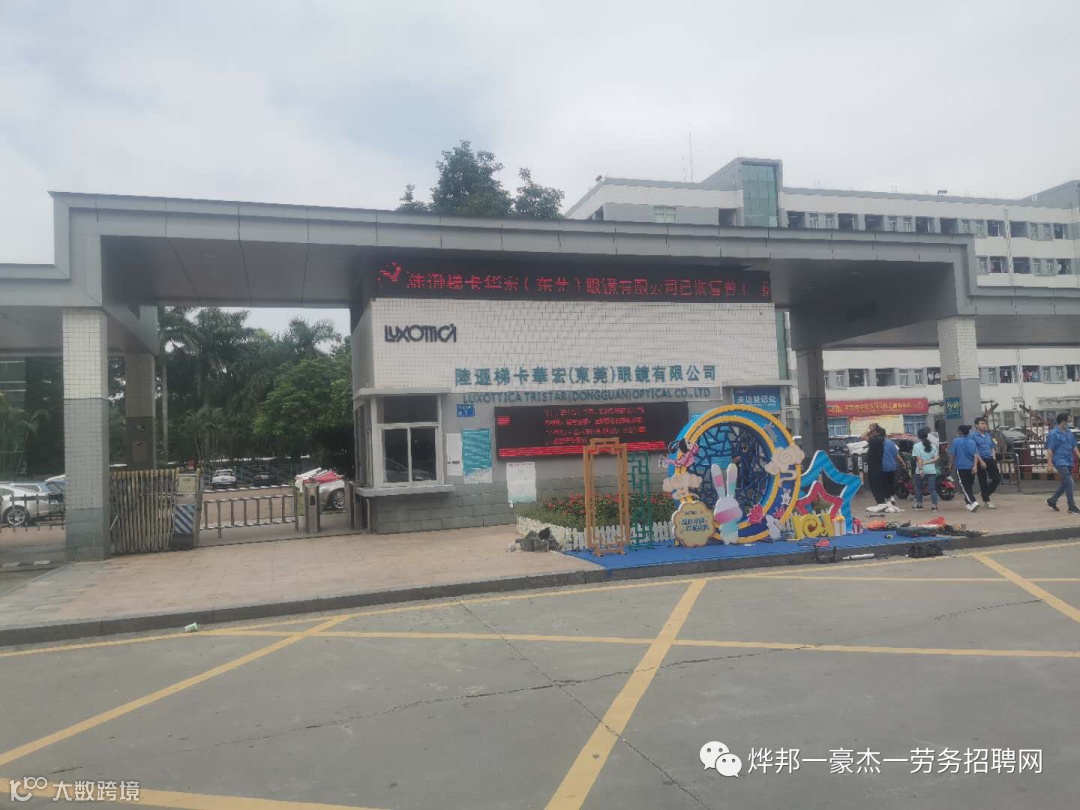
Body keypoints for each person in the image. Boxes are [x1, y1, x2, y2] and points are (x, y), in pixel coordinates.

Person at [1045, 412, 1080, 514]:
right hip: (1059, 461)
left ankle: (1052, 500)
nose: (1070, 423)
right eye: (1068, 421)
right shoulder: (1053, 434)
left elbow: (1074, 447)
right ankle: (1071, 506)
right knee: (1070, 482)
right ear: (1063, 421)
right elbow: (1050, 450)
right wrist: (1049, 464)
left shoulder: (1069, 433)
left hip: (1069, 460)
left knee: (1066, 483)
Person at [949, 424, 982, 512]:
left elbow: (953, 454)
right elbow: (975, 455)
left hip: (961, 467)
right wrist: (975, 466)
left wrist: (950, 464)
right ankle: (968, 503)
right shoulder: (972, 442)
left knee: (964, 486)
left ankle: (973, 501)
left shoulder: (956, 441)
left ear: (960, 432)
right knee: (969, 486)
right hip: (971, 467)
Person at [972, 417, 1001, 509]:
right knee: (983, 480)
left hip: (989, 458)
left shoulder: (988, 435)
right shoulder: (973, 436)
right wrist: (981, 461)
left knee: (997, 478)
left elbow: (992, 447)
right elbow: (975, 450)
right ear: (976, 425)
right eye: (982, 424)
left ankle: (985, 493)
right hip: (980, 459)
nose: (984, 425)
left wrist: (993, 458)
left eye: (985, 424)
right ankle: (987, 501)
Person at [911, 427, 939, 511]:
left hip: (920, 471)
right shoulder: (933, 446)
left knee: (918, 487)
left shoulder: (916, 446)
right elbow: (936, 459)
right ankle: (934, 506)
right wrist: (927, 462)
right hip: (932, 470)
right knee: (932, 489)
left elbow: (918, 459)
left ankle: (919, 505)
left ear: (918, 436)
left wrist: (921, 469)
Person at [862, 424, 889, 514]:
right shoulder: (881, 439)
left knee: (874, 484)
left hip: (874, 465)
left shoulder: (875, 440)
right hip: (878, 464)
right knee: (879, 484)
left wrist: (869, 430)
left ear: (875, 431)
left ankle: (880, 502)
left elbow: (862, 437)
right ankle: (881, 502)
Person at [881, 430, 902, 513]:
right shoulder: (891, 443)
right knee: (891, 482)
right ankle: (892, 496)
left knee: (885, 483)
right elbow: (896, 454)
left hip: (883, 466)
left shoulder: (880, 443)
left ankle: (887, 499)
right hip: (892, 466)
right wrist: (902, 462)